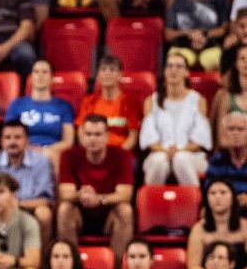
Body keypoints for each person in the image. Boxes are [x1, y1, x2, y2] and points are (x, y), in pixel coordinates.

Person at [57, 115, 135, 264]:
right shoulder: (69, 155)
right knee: (64, 208)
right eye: (88, 134)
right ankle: (71, 268)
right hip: (80, 215)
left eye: (98, 134)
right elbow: (65, 193)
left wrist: (99, 199)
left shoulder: (122, 155)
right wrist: (81, 195)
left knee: (125, 210)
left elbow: (125, 195)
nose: (92, 139)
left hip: (108, 216)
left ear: (107, 136)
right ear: (81, 136)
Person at [0, 119, 54, 245]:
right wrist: (0, 205)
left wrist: (18, 204)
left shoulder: (41, 162)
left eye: (18, 137)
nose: (12, 142)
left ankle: (41, 256)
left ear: (27, 140)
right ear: (2, 141)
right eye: (8, 138)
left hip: (27, 210)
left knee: (44, 213)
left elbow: (45, 200)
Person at [140, 52, 212, 185]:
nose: (173, 70)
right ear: (164, 71)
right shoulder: (151, 101)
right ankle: (152, 198)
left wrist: (178, 152)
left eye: (179, 66)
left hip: (192, 156)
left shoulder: (198, 100)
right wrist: (166, 152)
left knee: (181, 159)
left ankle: (194, 197)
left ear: (186, 72)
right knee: (159, 161)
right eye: (170, 66)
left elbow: (198, 141)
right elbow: (151, 140)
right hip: (159, 153)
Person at [4, 59, 76, 167]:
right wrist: (28, 148)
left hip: (53, 152)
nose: (40, 76)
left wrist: (45, 150)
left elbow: (68, 141)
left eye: (45, 72)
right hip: (22, 150)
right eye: (36, 71)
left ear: (51, 77)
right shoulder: (17, 104)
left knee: (52, 156)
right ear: (31, 77)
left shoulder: (63, 106)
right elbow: (9, 135)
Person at [165, 0, 231, 71]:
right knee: (176, 62)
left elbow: (224, 28)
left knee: (213, 59)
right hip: (182, 47)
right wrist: (190, 34)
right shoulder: (177, 0)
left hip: (211, 46)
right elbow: (169, 34)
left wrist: (204, 35)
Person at [76, 54, 141, 152]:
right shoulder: (88, 101)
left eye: (112, 70)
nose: (107, 73)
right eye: (103, 69)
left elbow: (132, 137)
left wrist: (117, 155)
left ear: (120, 75)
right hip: (93, 152)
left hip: (121, 153)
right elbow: (81, 132)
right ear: (98, 76)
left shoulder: (130, 102)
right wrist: (92, 151)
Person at [188, 179, 247, 269]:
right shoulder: (198, 229)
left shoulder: (245, 226)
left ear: (233, 198)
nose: (218, 197)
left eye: (223, 192)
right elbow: (193, 267)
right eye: (212, 193)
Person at [206, 113, 247, 205]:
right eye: (231, 129)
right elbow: (209, 190)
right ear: (224, 134)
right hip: (226, 209)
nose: (235, 133)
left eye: (240, 129)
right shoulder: (217, 160)